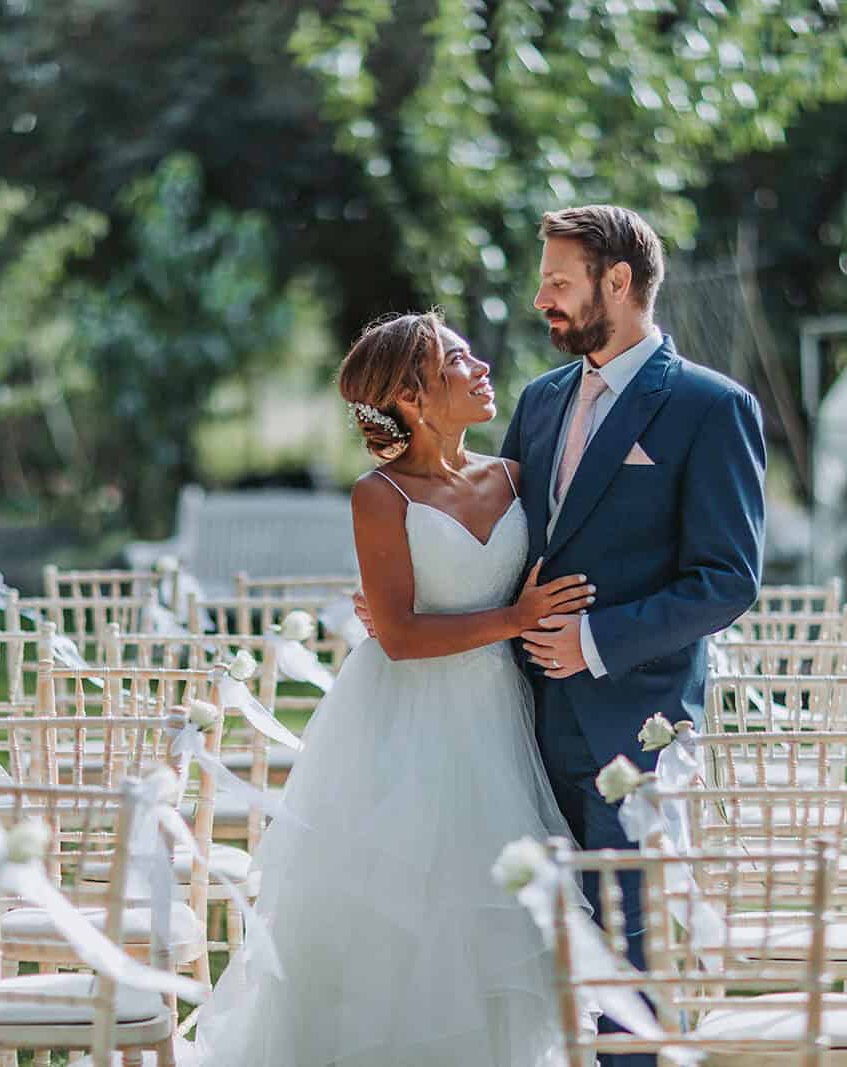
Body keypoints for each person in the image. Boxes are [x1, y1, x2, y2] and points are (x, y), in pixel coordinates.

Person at [360, 205, 767, 1066]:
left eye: (558, 280)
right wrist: (408, 604)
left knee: (630, 953)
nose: (540, 296)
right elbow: (506, 542)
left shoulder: (710, 406)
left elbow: (728, 580)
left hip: (636, 725)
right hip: (516, 723)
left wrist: (596, 641)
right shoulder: (540, 404)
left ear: (617, 282)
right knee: (527, 948)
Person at [192, 311, 594, 1067]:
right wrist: (515, 615)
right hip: (401, 723)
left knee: (493, 917)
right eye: (457, 359)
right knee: (405, 910)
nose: (480, 368)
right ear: (412, 395)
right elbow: (402, 636)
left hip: (497, 718)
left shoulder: (516, 476)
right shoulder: (378, 496)